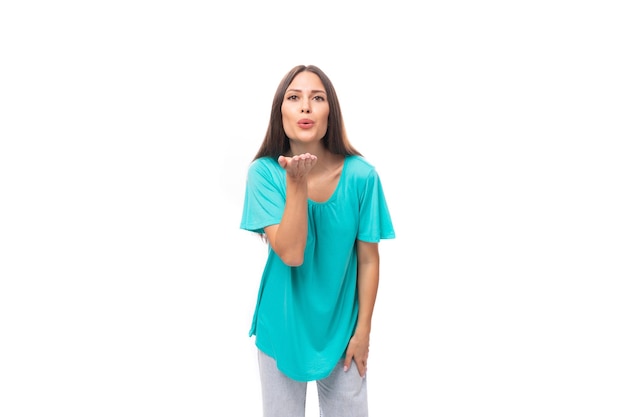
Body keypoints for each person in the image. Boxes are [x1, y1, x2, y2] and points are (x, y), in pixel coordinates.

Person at [240, 64, 395, 417]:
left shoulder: (362, 176)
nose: (306, 107)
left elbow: (369, 258)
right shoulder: (263, 175)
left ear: (331, 112)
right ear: (281, 112)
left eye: (317, 98)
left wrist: (363, 333)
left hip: (343, 330)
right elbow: (292, 254)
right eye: (294, 98)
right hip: (281, 327)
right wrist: (296, 183)